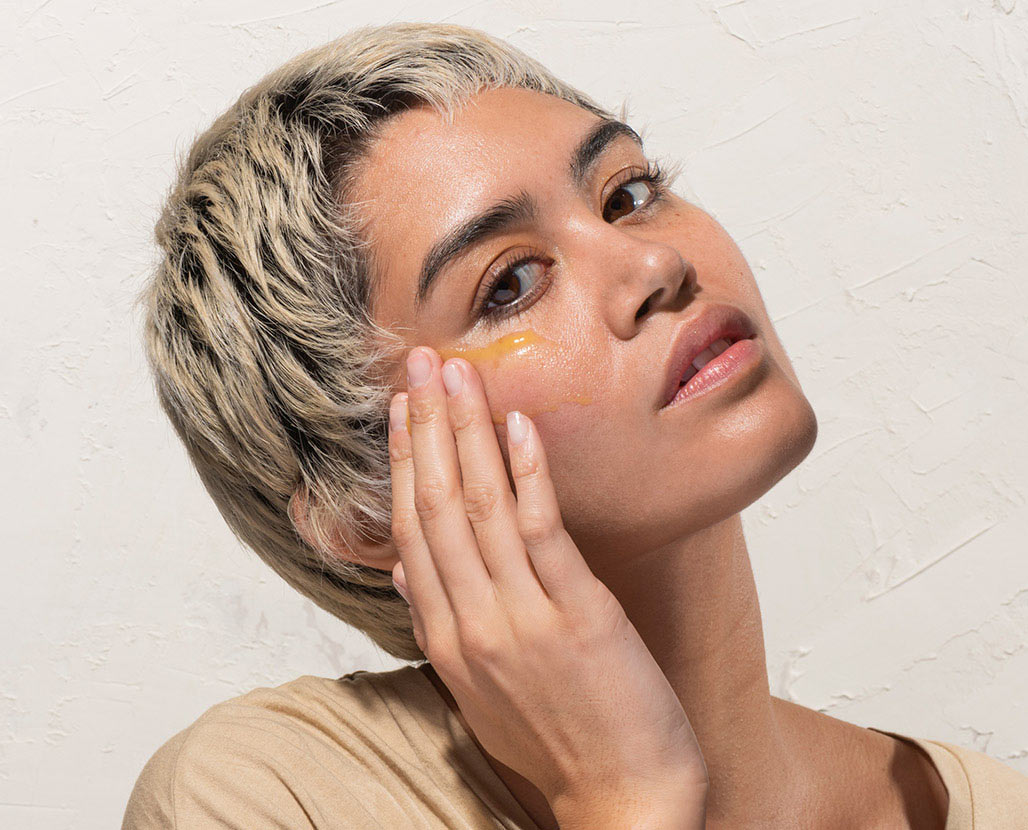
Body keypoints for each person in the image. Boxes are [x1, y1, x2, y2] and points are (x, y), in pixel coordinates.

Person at [123, 20, 1028, 829]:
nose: (655, 261)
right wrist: (625, 801)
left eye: (627, 193)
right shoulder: (266, 799)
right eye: (509, 282)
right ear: (366, 509)